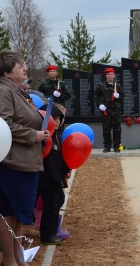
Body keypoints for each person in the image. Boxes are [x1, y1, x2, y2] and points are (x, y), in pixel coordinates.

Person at [0, 50, 50, 266]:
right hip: (12, 163)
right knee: (8, 213)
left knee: (18, 214)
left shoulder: (16, 90)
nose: (25, 68)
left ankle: (18, 258)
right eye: (20, 66)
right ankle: (9, 260)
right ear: (7, 73)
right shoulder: (3, 91)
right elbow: (4, 124)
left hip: (24, 161)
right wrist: (33, 135)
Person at [36, 104, 71, 245]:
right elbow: (48, 161)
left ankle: (51, 231)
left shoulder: (56, 135)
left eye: (59, 119)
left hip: (55, 179)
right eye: (54, 119)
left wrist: (65, 170)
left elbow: (60, 157)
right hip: (47, 179)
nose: (57, 122)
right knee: (50, 206)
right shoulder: (46, 138)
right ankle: (47, 234)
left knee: (57, 203)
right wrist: (56, 178)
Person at [94, 67, 124, 153]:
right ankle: (107, 146)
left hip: (116, 111)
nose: (110, 76)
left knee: (117, 129)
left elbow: (122, 96)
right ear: (106, 76)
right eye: (108, 74)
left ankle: (116, 146)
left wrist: (118, 96)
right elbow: (96, 97)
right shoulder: (101, 86)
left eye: (112, 74)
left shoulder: (117, 85)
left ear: (114, 75)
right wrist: (100, 105)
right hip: (106, 111)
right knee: (106, 129)